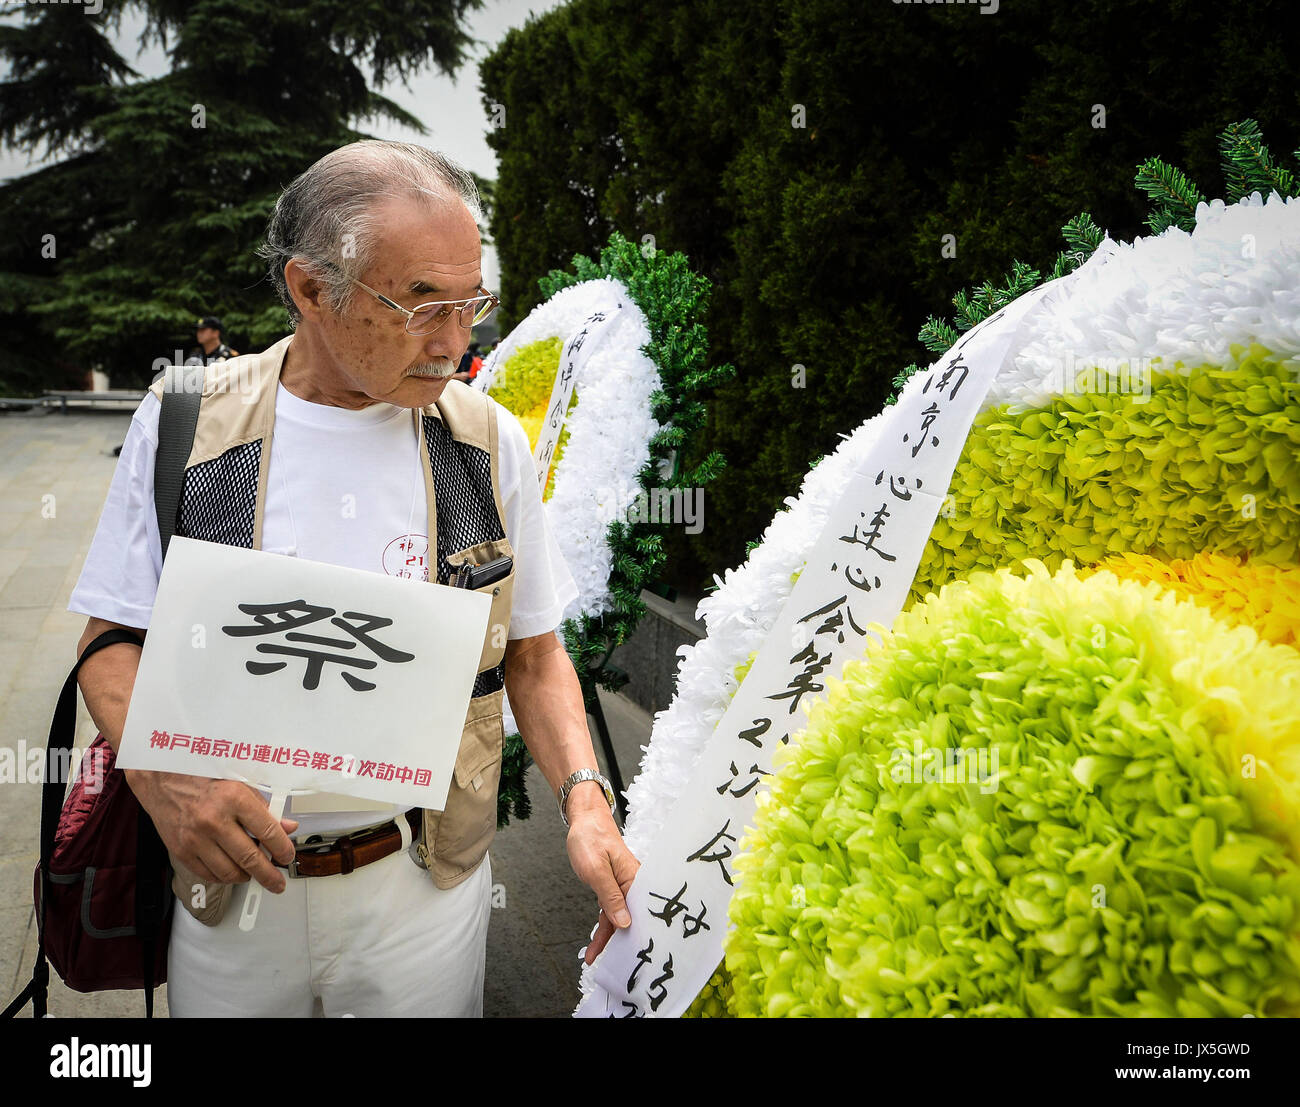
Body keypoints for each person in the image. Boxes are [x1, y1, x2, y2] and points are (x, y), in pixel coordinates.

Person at [67, 140, 639, 1017]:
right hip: (232, 895)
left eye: (470, 304)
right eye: (418, 305)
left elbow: (531, 652)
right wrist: (169, 787)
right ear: (308, 288)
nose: (454, 343)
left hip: (424, 881)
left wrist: (587, 802)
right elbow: (110, 643)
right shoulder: (192, 422)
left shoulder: (486, 443)